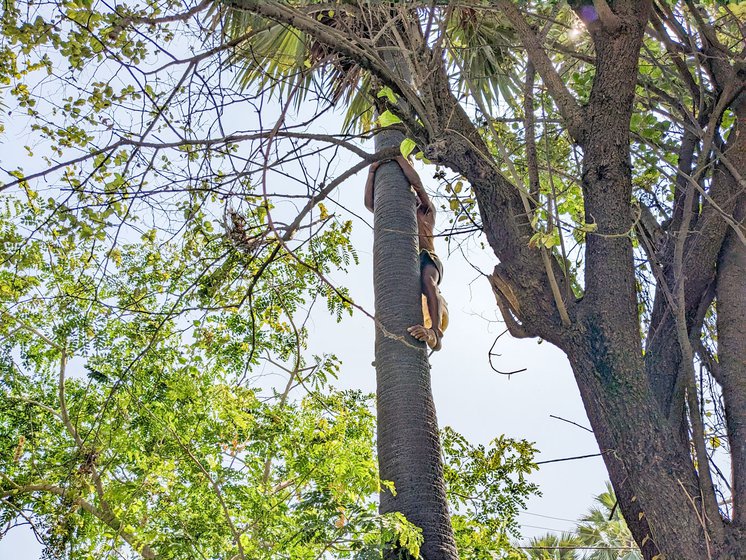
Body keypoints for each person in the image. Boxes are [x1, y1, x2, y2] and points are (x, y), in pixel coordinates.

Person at [365, 156, 448, 351]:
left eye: (417, 197)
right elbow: (371, 205)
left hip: (428, 257)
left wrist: (400, 160)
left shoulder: (426, 211)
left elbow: (417, 185)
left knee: (429, 282)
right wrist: (372, 173)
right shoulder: (397, 210)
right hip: (404, 260)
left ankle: (435, 333)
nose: (417, 199)